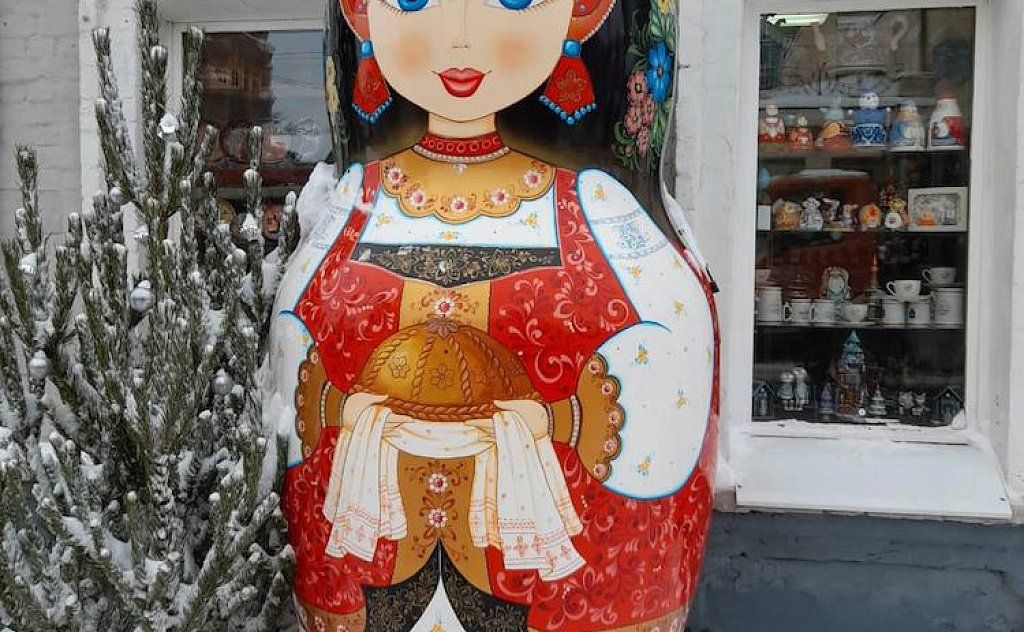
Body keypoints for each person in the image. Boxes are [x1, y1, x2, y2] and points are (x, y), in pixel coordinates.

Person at [264, 0, 719, 629]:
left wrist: (563, 418)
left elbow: (662, 365)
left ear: (582, 15)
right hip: (377, 563)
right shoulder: (353, 202)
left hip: (549, 587)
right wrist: (342, 406)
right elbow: (302, 381)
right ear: (361, 16)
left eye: (513, 1)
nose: (460, 39)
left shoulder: (598, 207)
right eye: (413, 2)